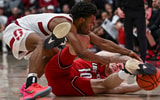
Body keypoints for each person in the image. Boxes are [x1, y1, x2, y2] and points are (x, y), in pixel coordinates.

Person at [3, 1, 141, 100]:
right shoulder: (66, 24)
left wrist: (128, 52)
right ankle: (30, 85)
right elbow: (81, 53)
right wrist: (104, 60)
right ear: (81, 20)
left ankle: (27, 88)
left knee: (53, 56)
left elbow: (102, 42)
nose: (93, 25)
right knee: (42, 43)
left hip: (33, 33)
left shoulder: (76, 26)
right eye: (90, 22)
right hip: (17, 28)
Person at [44, 34, 156, 96]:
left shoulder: (109, 83)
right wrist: (132, 61)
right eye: (118, 65)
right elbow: (114, 57)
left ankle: (64, 40)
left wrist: (153, 81)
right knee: (82, 40)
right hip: (62, 70)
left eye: (119, 69)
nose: (117, 66)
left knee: (105, 85)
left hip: (67, 87)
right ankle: (62, 39)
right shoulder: (102, 59)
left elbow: (126, 87)